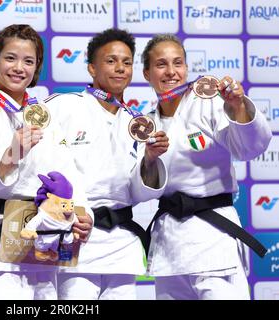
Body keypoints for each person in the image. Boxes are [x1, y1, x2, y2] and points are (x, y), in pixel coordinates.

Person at [0, 24, 93, 300]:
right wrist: (9, 156)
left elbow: (68, 172)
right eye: (10, 58)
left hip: (42, 236)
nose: (19, 68)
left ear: (37, 67)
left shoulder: (45, 115)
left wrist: (82, 213)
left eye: (28, 61)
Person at [141, 34, 272, 300]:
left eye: (178, 63)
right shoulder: (146, 125)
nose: (171, 72)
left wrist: (237, 106)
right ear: (147, 73)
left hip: (213, 238)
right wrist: (149, 159)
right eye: (161, 64)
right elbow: (138, 186)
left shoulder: (210, 104)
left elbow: (249, 148)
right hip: (170, 243)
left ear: (186, 68)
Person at [44, 28, 169, 300]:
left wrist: (150, 160)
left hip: (121, 242)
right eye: (111, 61)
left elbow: (140, 192)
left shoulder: (139, 123)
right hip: (76, 234)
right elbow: (40, 166)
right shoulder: (63, 107)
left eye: (126, 62)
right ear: (91, 68)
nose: (120, 68)